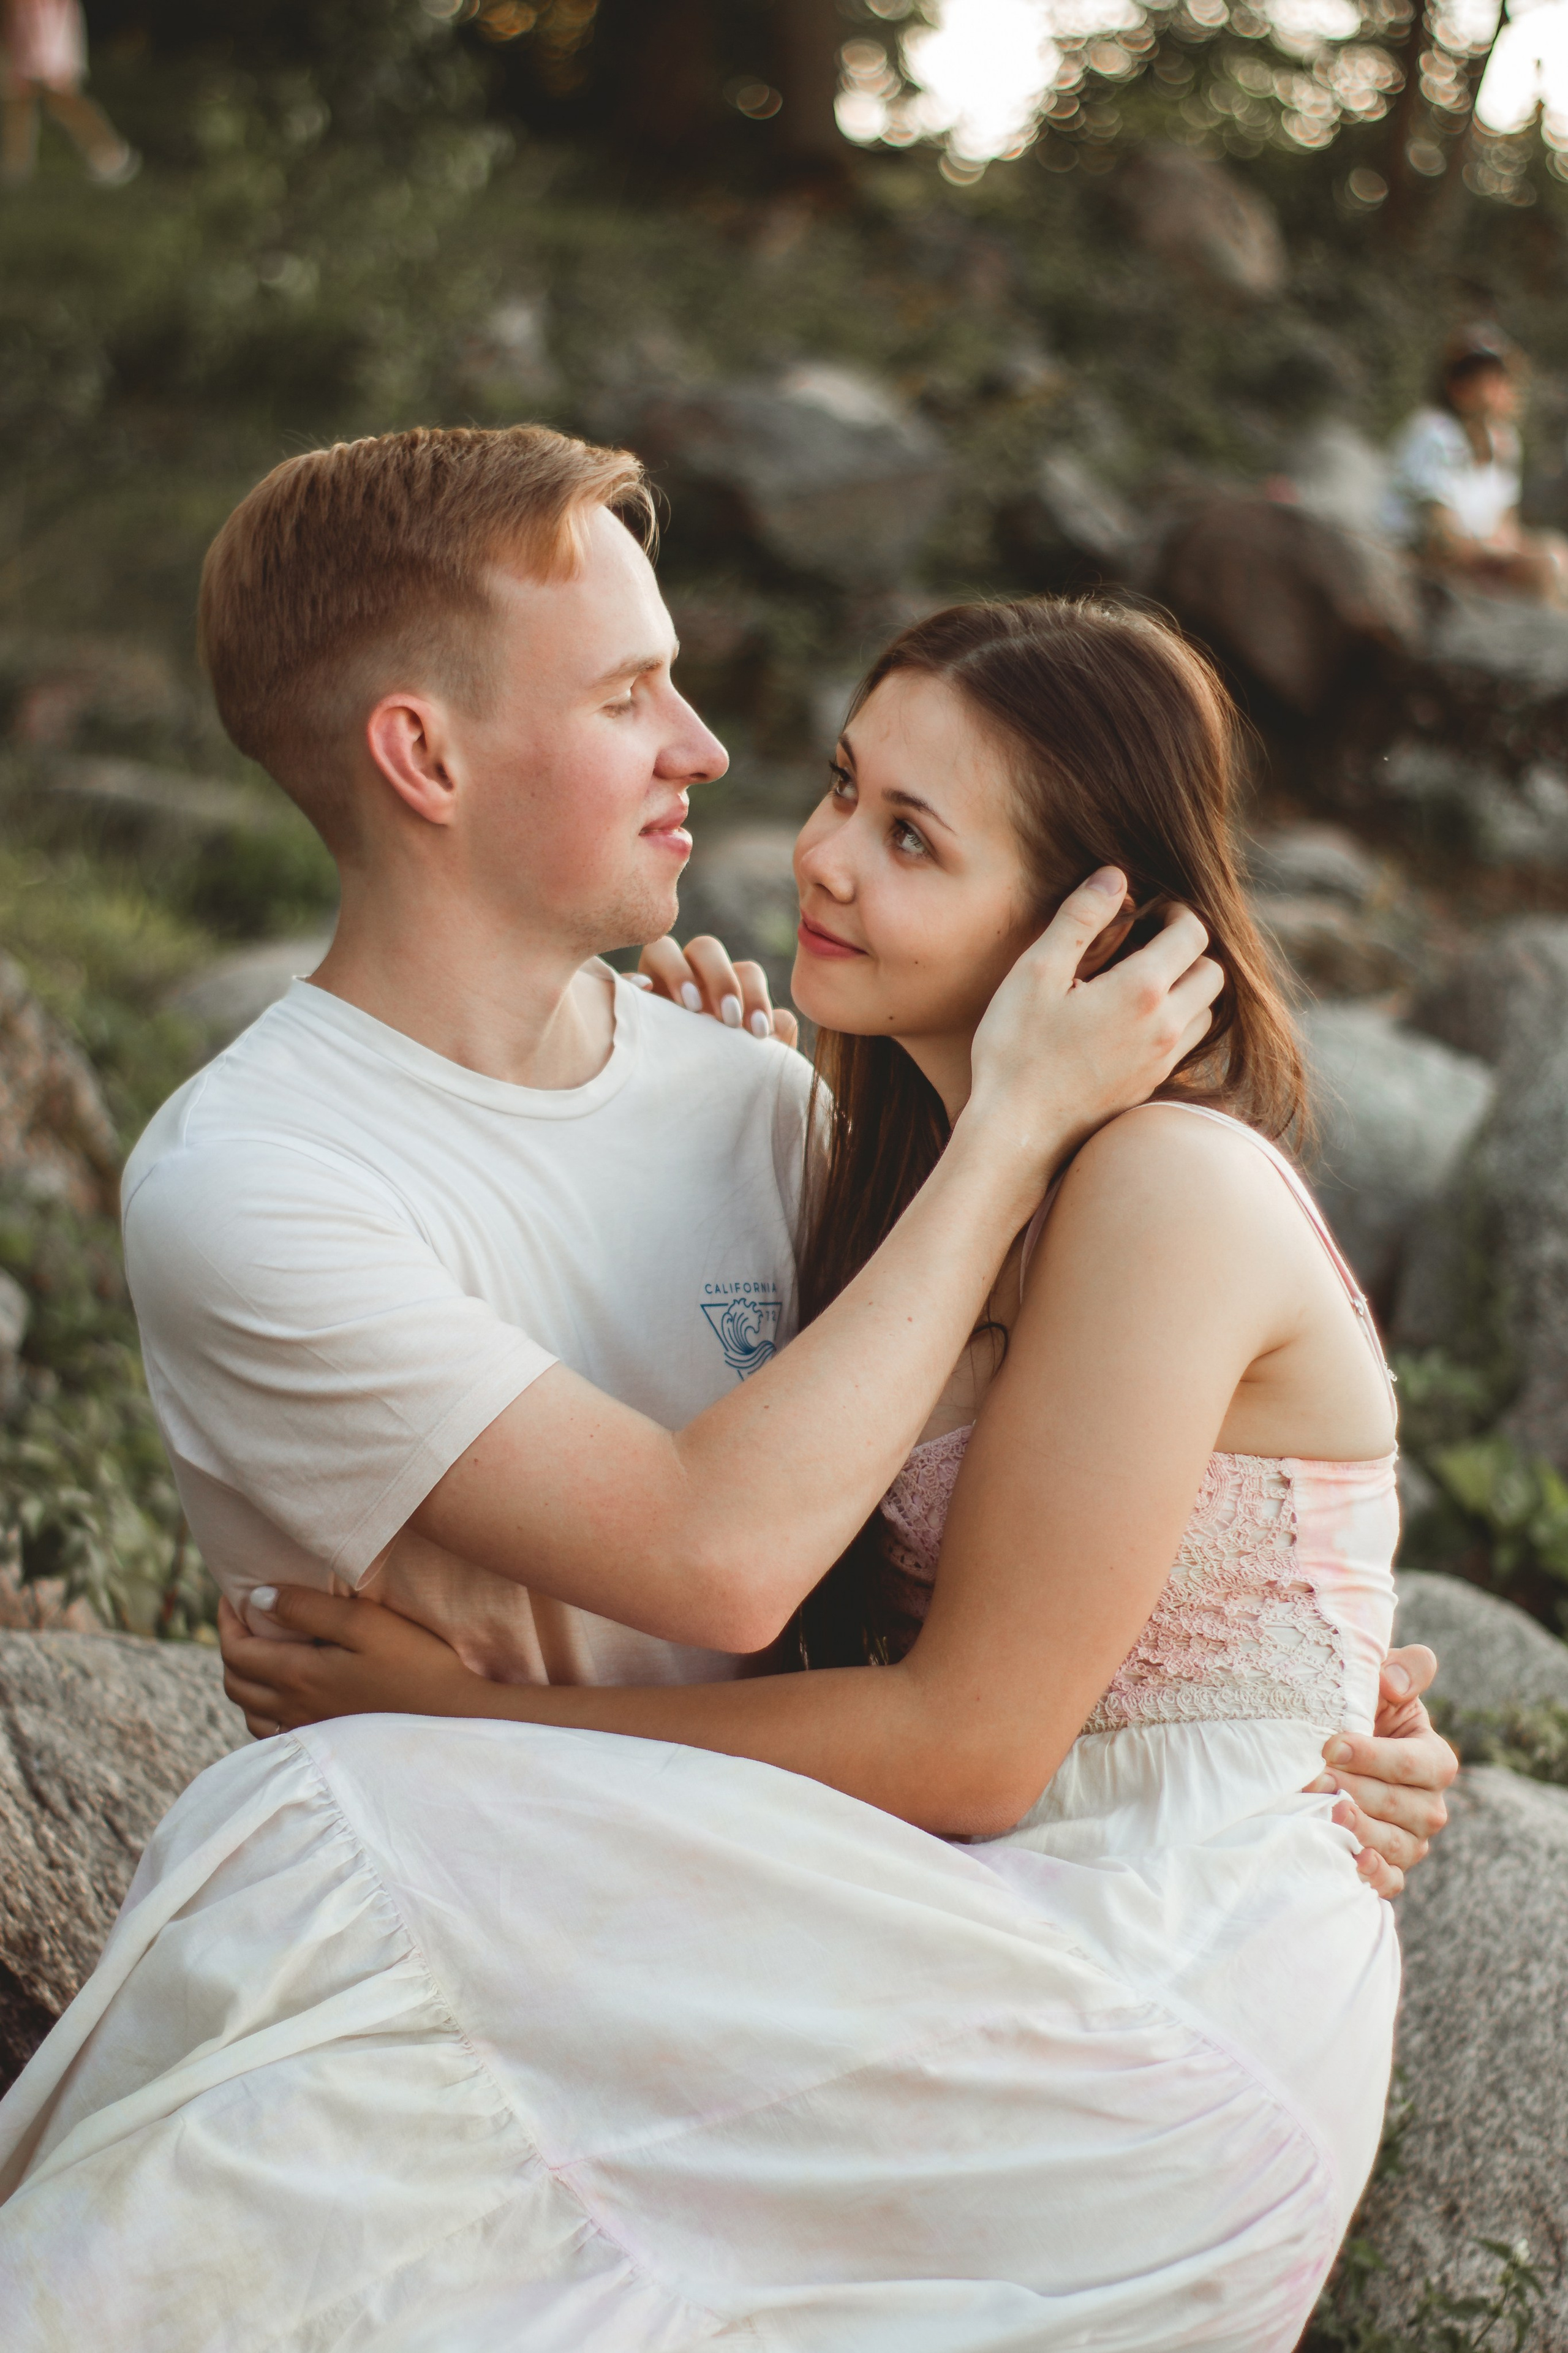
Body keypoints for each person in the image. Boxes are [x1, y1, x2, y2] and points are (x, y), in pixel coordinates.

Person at [0, 491, 1453, 2347]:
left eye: (908, 833)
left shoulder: (1154, 1182)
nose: (812, 848)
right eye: (846, 788)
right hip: (919, 1897)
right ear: (421, 754)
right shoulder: (856, 1171)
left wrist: (473, 1722)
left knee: (333, 1808)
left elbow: (981, 1732)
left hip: (1145, 1967)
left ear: (1086, 924)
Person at [1383, 323, 1568, 606]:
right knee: (1544, 566)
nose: (1496, 388)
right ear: (1457, 387)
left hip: (1477, 561)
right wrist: (1507, 556)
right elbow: (1439, 540)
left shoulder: (1505, 441)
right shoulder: (1434, 434)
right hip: (1416, 565)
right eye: (1482, 378)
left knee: (1558, 554)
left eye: (1500, 378)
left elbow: (1508, 525)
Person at [0, 0, 138, 187]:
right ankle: (14, 163)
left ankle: (110, 154)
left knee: (58, 94)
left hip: (42, 16)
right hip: (25, 15)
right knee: (18, 91)